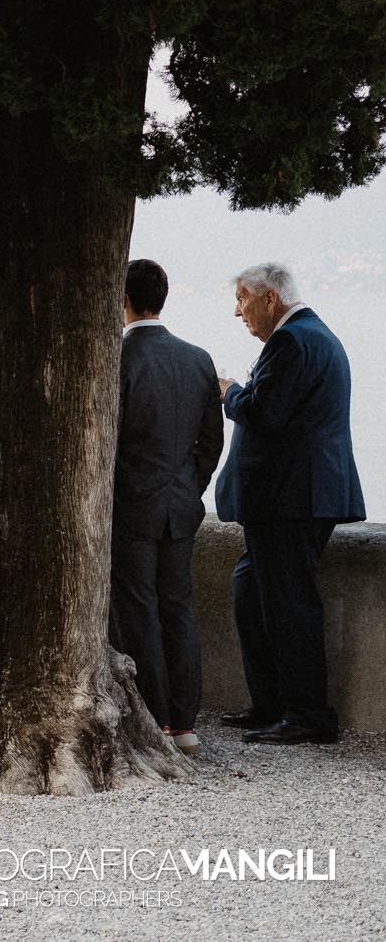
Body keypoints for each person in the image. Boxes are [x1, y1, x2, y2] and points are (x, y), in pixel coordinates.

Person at [215, 263, 365, 745]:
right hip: (295, 497)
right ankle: (273, 704)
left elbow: (265, 413)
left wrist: (229, 391)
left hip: (291, 500)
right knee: (252, 591)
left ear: (269, 299)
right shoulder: (312, 336)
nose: (238, 311)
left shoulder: (292, 341)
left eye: (242, 299)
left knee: (289, 603)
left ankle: (307, 714)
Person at [110, 260, 223, 754]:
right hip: (181, 504)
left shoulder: (117, 359)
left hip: (133, 504)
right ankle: (186, 721)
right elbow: (211, 443)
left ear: (123, 299)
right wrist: (189, 486)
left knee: (138, 610)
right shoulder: (198, 359)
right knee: (178, 607)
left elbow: (107, 444)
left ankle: (155, 719)